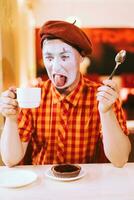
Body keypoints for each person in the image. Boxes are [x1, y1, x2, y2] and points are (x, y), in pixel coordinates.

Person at [0, 20, 131, 167]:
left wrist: (106, 112)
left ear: (81, 57)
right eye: (49, 58)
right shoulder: (33, 96)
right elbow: (10, 160)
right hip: (44, 184)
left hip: (88, 183)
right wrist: (11, 119)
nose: (55, 66)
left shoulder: (103, 97)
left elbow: (120, 160)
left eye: (64, 57)